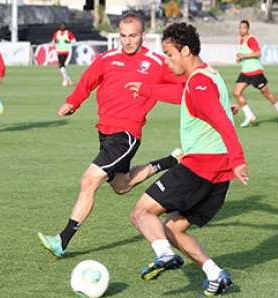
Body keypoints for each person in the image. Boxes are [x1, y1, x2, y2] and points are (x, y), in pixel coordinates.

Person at [37, 13, 185, 259]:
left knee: (88, 181)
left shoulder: (156, 62)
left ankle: (61, 241)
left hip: (126, 134)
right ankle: (169, 162)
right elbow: (87, 81)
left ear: (143, 36)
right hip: (105, 131)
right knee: (121, 185)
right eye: (123, 36)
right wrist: (73, 102)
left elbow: (185, 83)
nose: (127, 42)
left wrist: (215, 102)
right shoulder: (108, 58)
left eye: (133, 36)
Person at [126, 22, 249, 297]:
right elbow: (184, 96)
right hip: (218, 176)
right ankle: (216, 274)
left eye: (169, 54)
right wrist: (146, 89)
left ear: (185, 50)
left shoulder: (200, 83)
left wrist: (238, 158)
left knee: (141, 213)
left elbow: (222, 121)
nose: (167, 61)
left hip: (200, 167)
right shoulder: (208, 76)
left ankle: (164, 255)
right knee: (172, 228)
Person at [233, 20, 278, 128]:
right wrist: (240, 59)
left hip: (255, 72)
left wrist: (243, 56)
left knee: (266, 93)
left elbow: (258, 53)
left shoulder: (251, 39)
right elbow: (245, 54)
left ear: (248, 29)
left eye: (243, 28)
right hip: (245, 72)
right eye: (240, 28)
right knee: (236, 92)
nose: (241, 30)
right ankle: (249, 115)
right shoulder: (241, 41)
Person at [53, 22, 76, 87]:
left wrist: (68, 41)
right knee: (61, 65)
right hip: (59, 50)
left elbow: (74, 41)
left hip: (65, 51)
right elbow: (53, 41)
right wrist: (55, 42)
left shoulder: (68, 33)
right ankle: (68, 79)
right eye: (61, 26)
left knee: (61, 64)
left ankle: (66, 79)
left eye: (63, 26)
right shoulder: (56, 33)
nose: (62, 27)